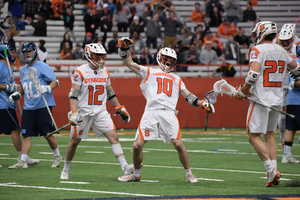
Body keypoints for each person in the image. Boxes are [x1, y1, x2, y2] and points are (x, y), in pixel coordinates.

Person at [117, 37, 215, 183]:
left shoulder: (176, 78)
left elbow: (189, 96)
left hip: (168, 112)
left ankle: (189, 174)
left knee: (178, 144)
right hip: (151, 111)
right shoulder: (148, 72)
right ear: (160, 58)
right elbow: (129, 63)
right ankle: (136, 175)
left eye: (171, 59)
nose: (169, 61)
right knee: (137, 145)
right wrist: (124, 50)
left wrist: (202, 103)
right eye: (166, 58)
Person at [232, 21, 300, 187]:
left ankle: (271, 170)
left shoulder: (257, 50)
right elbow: (297, 69)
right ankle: (272, 174)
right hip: (277, 99)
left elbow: (254, 74)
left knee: (252, 136)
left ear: (261, 33)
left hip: (261, 99)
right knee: (270, 134)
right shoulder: (282, 51)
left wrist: (243, 89)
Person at [60, 43, 133, 179]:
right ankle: (66, 168)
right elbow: (74, 94)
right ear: (89, 56)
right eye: (98, 57)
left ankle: (125, 167)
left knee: (114, 137)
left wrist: (119, 107)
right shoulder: (80, 71)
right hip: (84, 112)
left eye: (102, 57)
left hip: (100, 112)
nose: (101, 60)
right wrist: (73, 112)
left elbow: (110, 92)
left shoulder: (105, 71)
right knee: (75, 141)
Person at [8, 42, 62, 169]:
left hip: (43, 105)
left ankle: (57, 156)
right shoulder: (23, 70)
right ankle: (23, 161)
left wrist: (48, 88)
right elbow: (23, 86)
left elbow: (55, 81)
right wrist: (18, 94)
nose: (27, 53)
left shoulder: (43, 66)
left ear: (35, 51)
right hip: (28, 107)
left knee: (47, 134)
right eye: (25, 52)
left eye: (29, 51)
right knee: (26, 134)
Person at [0, 44, 40, 167]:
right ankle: (23, 157)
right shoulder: (1, 66)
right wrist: (7, 87)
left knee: (15, 130)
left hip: (7, 103)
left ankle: (23, 157)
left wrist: (14, 87)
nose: (13, 54)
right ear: (4, 53)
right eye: (10, 52)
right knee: (16, 130)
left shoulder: (7, 66)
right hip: (3, 104)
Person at [275, 24, 300, 155]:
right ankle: (283, 142)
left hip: (294, 83)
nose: (284, 42)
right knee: (283, 117)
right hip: (280, 84)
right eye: (282, 39)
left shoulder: (298, 45)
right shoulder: (276, 42)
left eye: (287, 39)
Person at [282, 44, 300, 163]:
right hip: (298, 101)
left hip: (291, 100)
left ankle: (287, 156)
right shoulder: (296, 64)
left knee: (291, 129)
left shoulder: (294, 63)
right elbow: (295, 84)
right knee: (290, 129)